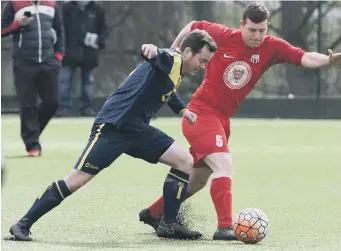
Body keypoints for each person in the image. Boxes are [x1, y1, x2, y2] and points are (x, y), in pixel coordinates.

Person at [139, 2, 341, 241]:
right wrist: (173, 53)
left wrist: (329, 61)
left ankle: (154, 212)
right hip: (201, 113)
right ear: (242, 25)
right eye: (252, 30)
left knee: (198, 179)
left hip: (222, 120)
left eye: (262, 30)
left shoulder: (271, 47)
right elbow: (193, 26)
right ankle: (225, 227)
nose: (257, 36)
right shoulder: (223, 35)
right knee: (224, 167)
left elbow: (304, 57)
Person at [7, 29, 217, 241]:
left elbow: (167, 91)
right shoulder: (172, 59)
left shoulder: (175, 69)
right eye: (202, 60)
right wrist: (151, 50)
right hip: (113, 127)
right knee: (77, 179)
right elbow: (156, 54)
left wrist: (183, 110)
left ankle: (169, 224)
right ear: (188, 51)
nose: (202, 67)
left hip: (137, 129)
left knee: (185, 163)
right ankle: (22, 224)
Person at [1, 0, 64, 157]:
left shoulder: (51, 4)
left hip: (49, 61)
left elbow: (60, 31)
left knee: (52, 102)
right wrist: (18, 23)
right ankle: (32, 145)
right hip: (24, 63)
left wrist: (58, 56)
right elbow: (2, 29)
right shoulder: (13, 3)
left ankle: (31, 132)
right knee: (27, 104)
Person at [56, 1, 109, 117]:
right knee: (64, 80)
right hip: (69, 51)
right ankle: (64, 107)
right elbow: (60, 28)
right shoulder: (67, 8)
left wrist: (98, 40)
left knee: (88, 82)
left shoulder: (97, 9)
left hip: (89, 52)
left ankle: (86, 107)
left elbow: (104, 30)